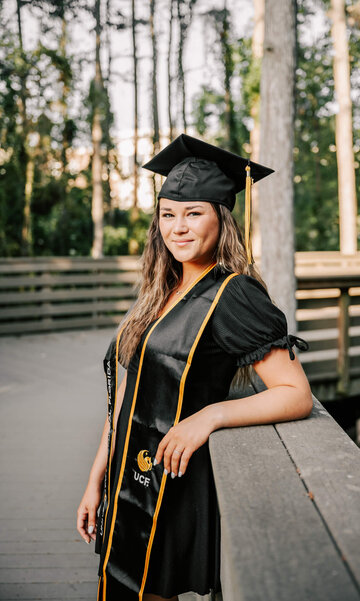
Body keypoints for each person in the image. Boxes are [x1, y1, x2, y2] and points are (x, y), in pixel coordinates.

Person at [76, 133, 312, 601]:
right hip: (128, 474)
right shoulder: (161, 291)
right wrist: (95, 479)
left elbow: (295, 394)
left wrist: (209, 416)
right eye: (168, 214)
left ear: (221, 219)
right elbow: (127, 395)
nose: (178, 227)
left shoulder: (234, 295)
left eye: (193, 212)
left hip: (170, 482)